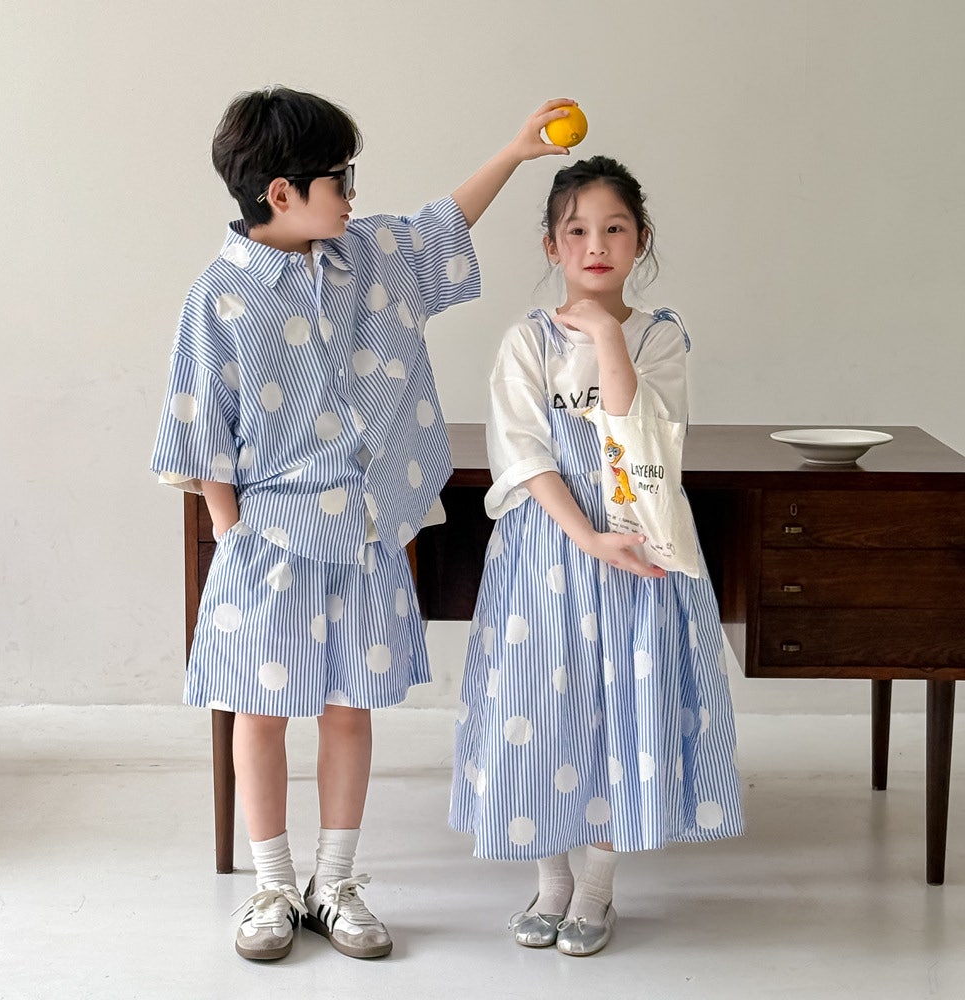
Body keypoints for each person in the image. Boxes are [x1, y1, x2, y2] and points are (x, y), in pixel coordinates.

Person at [150, 87, 573, 962]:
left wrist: (515, 150)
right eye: (338, 178)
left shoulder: (369, 255)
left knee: (350, 709)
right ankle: (273, 886)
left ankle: (334, 882)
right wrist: (231, 532)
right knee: (261, 712)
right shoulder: (218, 297)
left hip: (369, 534)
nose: (352, 193)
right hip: (269, 541)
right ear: (281, 193)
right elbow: (200, 426)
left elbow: (442, 225)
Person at [449, 155, 744, 957]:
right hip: (549, 551)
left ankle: (598, 890)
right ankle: (551, 882)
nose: (595, 245)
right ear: (551, 245)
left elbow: (639, 438)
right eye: (576, 231)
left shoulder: (659, 337)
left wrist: (609, 335)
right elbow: (522, 453)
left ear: (640, 239)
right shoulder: (527, 340)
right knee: (542, 711)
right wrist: (585, 538)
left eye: (615, 228)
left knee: (621, 710)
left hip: (640, 546)